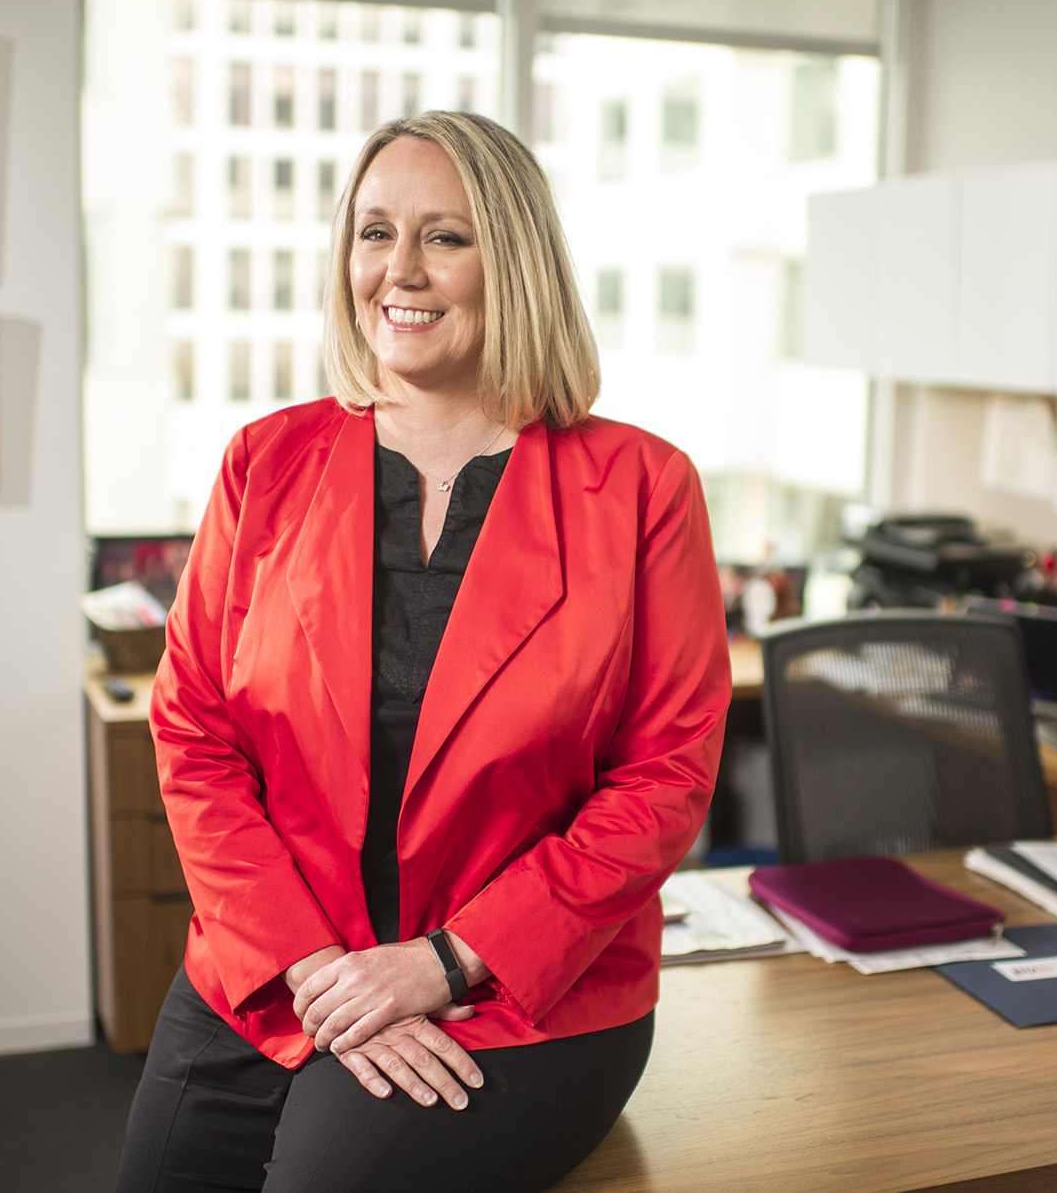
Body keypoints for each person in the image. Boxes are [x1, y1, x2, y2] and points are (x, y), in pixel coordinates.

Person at [116, 110, 731, 1193]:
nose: (399, 270)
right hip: (270, 967)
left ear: (517, 259)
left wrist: (438, 963)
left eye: (446, 236)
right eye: (374, 233)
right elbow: (194, 731)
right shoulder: (266, 462)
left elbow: (663, 782)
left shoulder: (641, 487)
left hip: (517, 992)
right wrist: (317, 970)